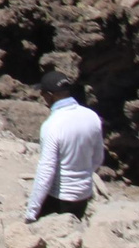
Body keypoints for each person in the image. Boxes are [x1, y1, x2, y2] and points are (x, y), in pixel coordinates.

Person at [26, 75, 105, 221]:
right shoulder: (92, 116)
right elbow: (98, 158)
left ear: (50, 95)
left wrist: (32, 211)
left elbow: (46, 171)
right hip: (83, 195)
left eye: (42, 93)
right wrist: (81, 177)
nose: (42, 97)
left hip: (59, 197)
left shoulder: (52, 125)